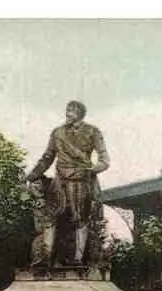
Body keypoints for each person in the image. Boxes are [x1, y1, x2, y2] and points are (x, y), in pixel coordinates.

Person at [25, 100, 110, 266]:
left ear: (80, 113)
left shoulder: (93, 131)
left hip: (81, 181)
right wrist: (30, 176)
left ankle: (78, 259)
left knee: (81, 219)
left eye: (71, 111)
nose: (67, 114)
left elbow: (104, 160)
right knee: (50, 216)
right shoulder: (57, 133)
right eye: (67, 110)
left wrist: (92, 170)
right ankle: (45, 257)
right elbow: (47, 158)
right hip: (60, 181)